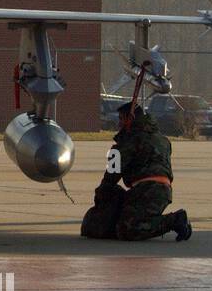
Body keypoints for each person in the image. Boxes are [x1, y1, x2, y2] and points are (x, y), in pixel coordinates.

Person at [82, 102, 191, 241]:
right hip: (161, 191)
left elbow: (112, 175)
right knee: (125, 222)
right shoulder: (162, 140)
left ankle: (174, 221)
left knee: (129, 229)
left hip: (148, 190)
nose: (119, 124)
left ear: (130, 119)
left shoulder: (127, 142)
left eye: (121, 119)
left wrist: (101, 195)